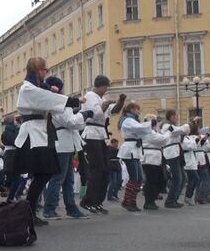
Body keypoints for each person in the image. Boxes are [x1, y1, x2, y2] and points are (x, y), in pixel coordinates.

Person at [14, 57, 83, 225]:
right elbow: (46, 99)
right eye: (45, 69)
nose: (46, 72)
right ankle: (29, 211)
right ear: (38, 70)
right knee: (42, 172)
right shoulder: (28, 88)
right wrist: (72, 100)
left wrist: (51, 92)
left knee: (43, 173)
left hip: (41, 131)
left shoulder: (36, 87)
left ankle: (29, 210)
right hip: (33, 132)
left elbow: (47, 97)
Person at [42, 76, 91, 220]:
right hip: (62, 142)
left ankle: (71, 208)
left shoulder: (60, 103)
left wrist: (80, 117)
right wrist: (84, 115)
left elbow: (74, 123)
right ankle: (49, 208)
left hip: (67, 141)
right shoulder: (58, 103)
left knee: (68, 178)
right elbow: (70, 121)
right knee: (58, 177)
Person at [80, 75, 126, 215]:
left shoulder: (101, 98)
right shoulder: (89, 96)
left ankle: (98, 201)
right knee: (97, 169)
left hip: (101, 134)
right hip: (92, 133)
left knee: (105, 170)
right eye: (106, 87)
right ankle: (88, 201)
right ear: (101, 85)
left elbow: (114, 111)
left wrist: (121, 101)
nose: (107, 90)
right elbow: (95, 113)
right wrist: (106, 103)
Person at [117, 103, 153, 212]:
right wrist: (150, 123)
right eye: (138, 109)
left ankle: (131, 201)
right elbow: (139, 128)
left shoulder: (133, 120)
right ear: (132, 109)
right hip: (130, 150)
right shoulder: (128, 120)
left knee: (139, 179)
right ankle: (128, 202)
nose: (139, 111)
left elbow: (142, 131)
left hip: (135, 150)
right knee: (134, 178)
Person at [160, 110, 193, 208]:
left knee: (183, 178)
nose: (176, 117)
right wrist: (190, 124)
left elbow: (182, 131)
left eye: (176, 115)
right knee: (177, 178)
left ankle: (174, 198)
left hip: (177, 151)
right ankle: (170, 200)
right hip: (171, 152)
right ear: (169, 116)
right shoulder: (166, 126)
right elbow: (177, 131)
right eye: (174, 115)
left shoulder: (174, 126)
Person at [140, 115, 168, 210]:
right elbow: (162, 139)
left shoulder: (151, 132)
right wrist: (169, 132)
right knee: (151, 181)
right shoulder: (148, 132)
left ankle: (151, 200)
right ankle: (149, 202)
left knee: (155, 180)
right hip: (150, 158)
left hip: (154, 158)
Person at [1, 115, 23, 203]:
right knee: (16, 178)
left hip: (12, 154)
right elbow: (15, 141)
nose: (16, 121)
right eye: (14, 120)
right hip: (11, 155)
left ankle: (11, 197)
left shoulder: (8, 131)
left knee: (16, 178)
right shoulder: (8, 132)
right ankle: (10, 198)